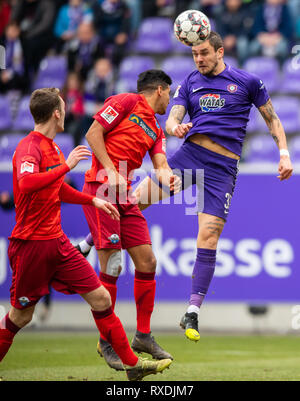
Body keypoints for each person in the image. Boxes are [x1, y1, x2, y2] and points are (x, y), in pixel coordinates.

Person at [78, 31, 293, 343]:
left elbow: (272, 119)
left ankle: (192, 310)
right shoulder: (190, 82)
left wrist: (284, 154)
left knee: (209, 236)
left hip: (222, 169)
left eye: (204, 53)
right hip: (190, 156)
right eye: (194, 54)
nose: (199, 59)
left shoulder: (248, 81)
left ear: (220, 51)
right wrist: (174, 126)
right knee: (134, 200)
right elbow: (171, 117)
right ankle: (86, 243)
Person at [0, 87, 172, 381]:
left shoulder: (53, 147)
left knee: (102, 299)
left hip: (58, 243)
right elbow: (27, 184)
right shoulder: (30, 147)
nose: (66, 112)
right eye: (64, 108)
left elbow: (58, 188)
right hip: (31, 245)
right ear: (56, 113)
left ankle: (133, 365)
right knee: (20, 317)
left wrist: (92, 200)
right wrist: (66, 167)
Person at [77, 70, 180, 371]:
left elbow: (160, 164)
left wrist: (168, 177)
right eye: (169, 94)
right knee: (112, 264)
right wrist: (110, 169)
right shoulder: (126, 102)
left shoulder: (156, 129)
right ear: (159, 90)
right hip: (101, 187)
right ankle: (105, 338)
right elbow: (93, 132)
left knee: (147, 261)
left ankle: (143, 336)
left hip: (125, 197)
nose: (170, 100)